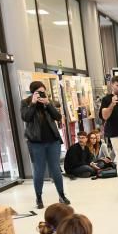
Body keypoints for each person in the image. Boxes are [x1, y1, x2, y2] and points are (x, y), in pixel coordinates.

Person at [22, 81, 69, 210]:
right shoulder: (25, 102)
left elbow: (58, 117)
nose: (42, 94)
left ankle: (61, 195)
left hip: (53, 140)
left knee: (55, 169)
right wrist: (33, 103)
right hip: (36, 143)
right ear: (33, 92)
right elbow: (26, 117)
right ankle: (38, 198)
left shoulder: (48, 102)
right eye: (39, 92)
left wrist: (48, 104)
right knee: (39, 171)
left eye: (44, 91)